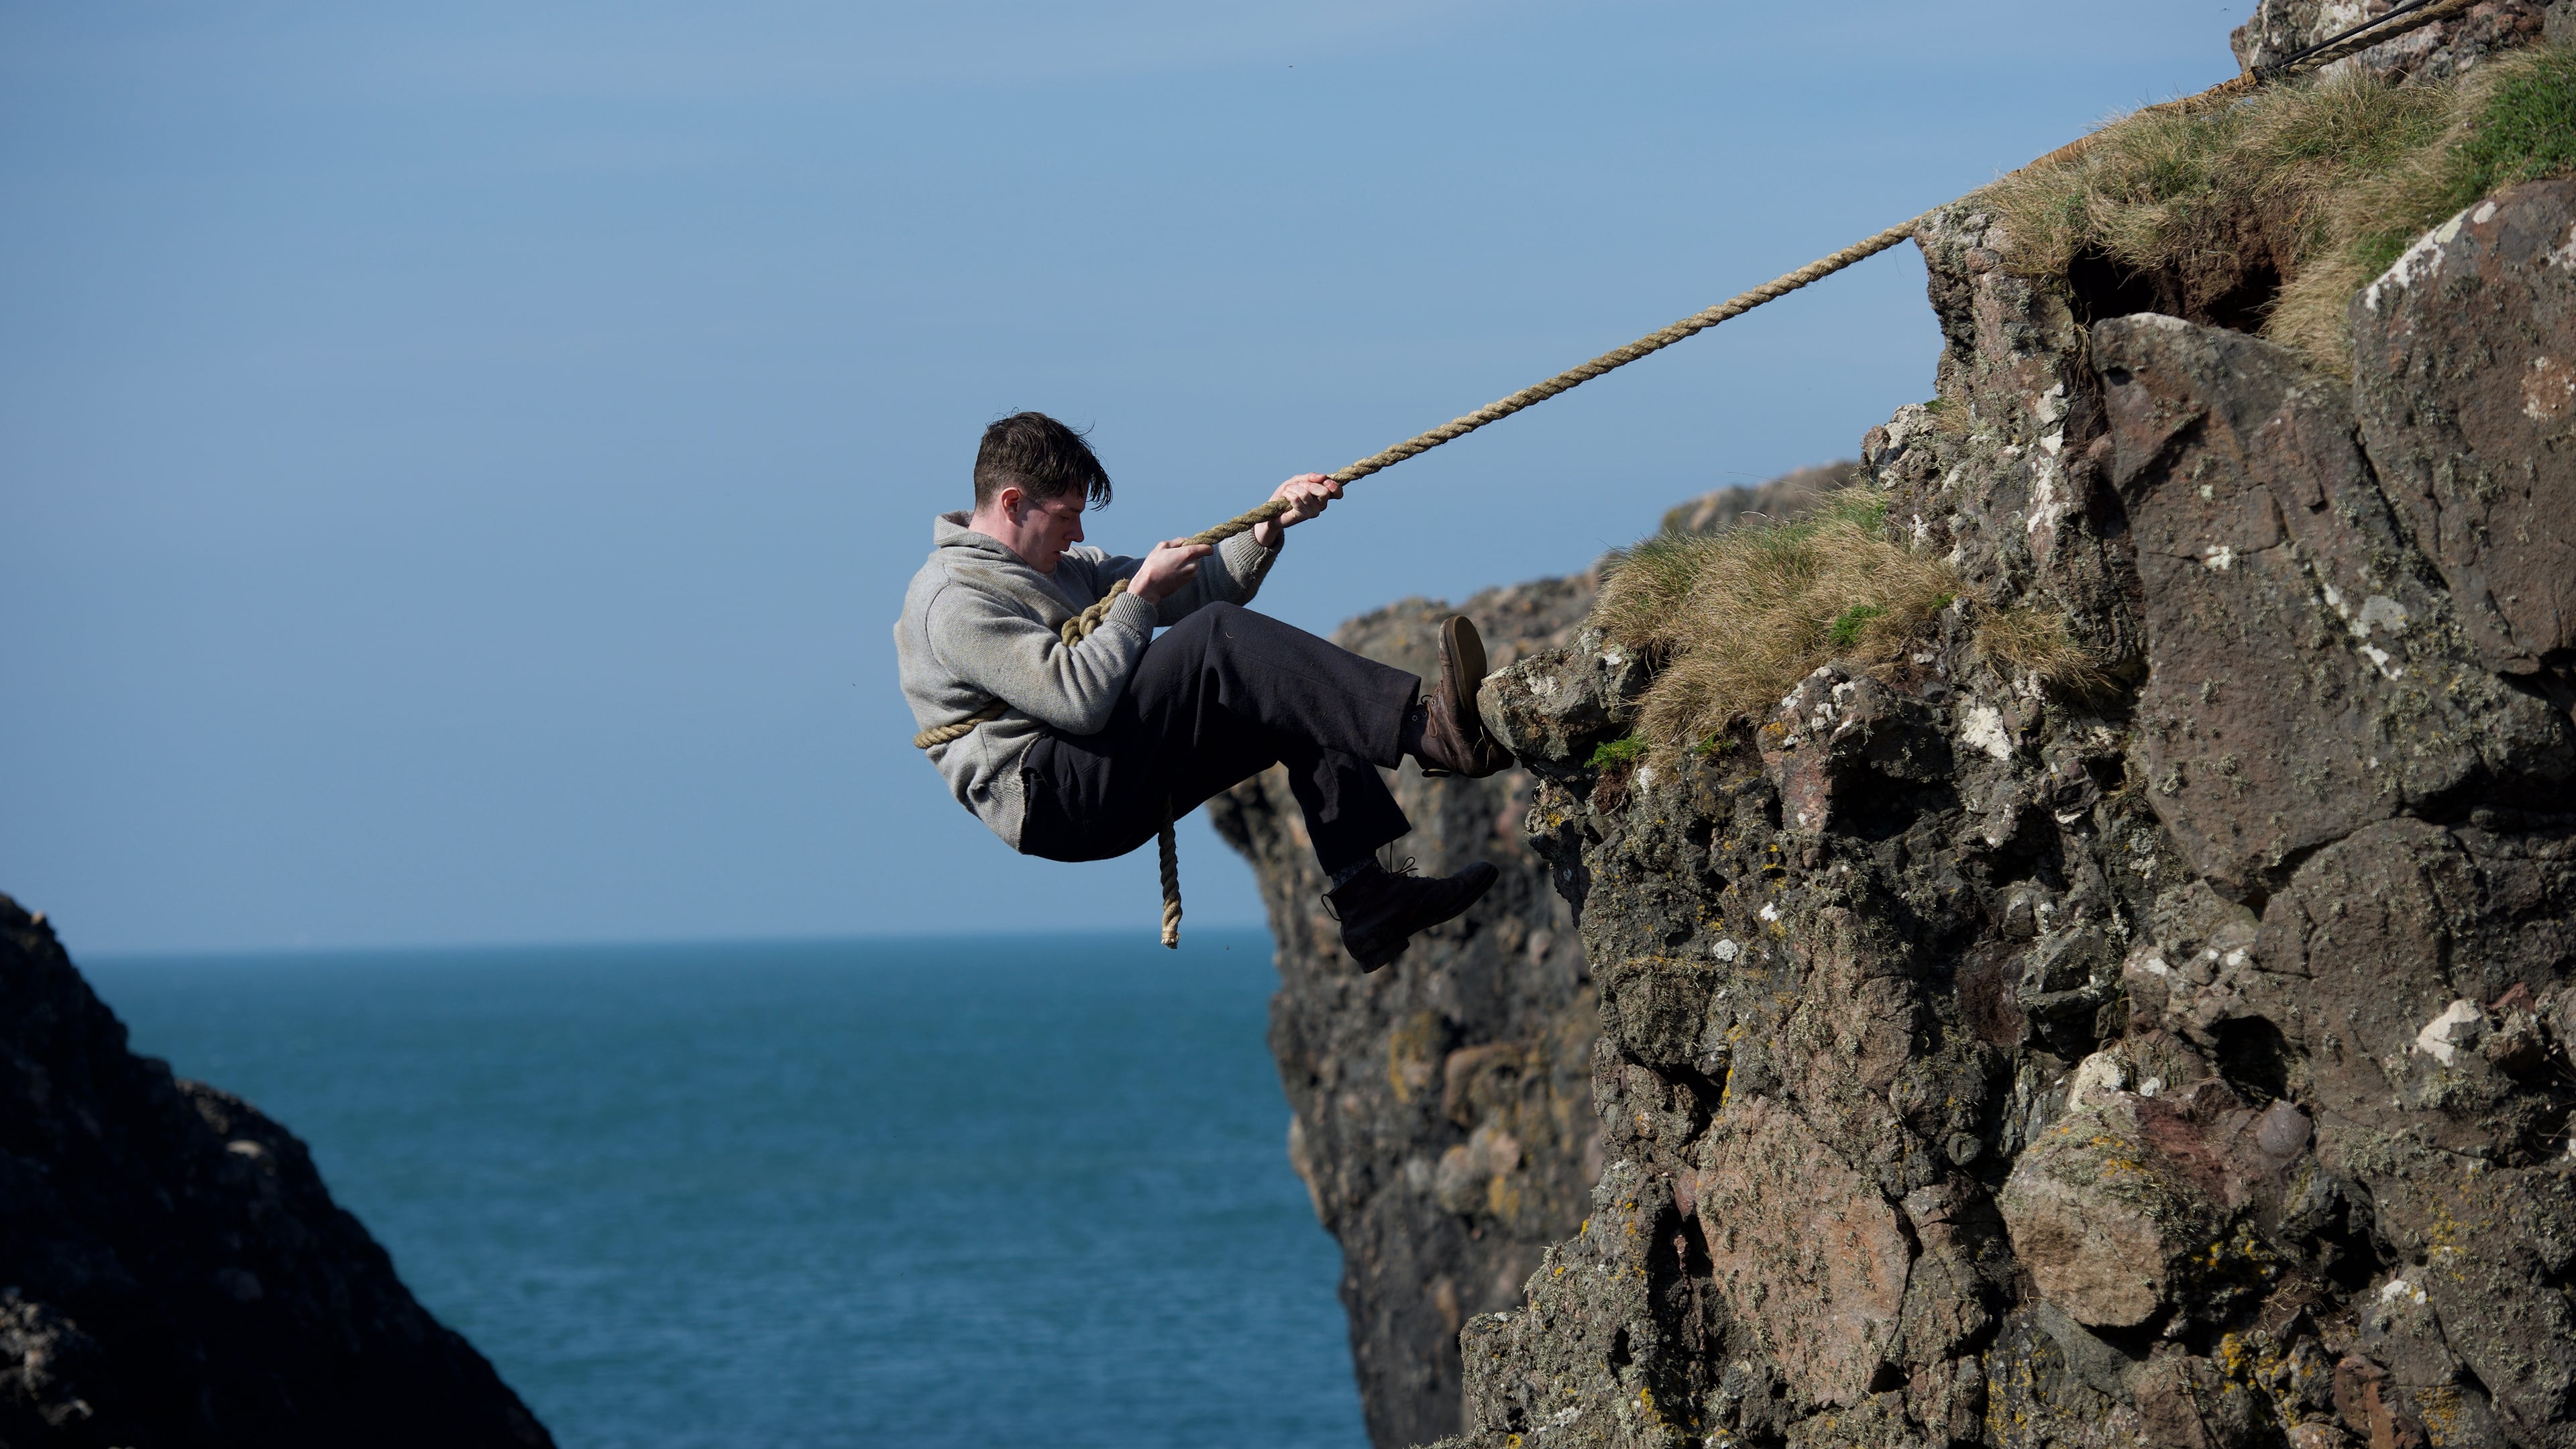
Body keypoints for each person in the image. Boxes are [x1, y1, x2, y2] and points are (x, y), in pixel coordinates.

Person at [896, 411, 1512, 969]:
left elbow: (1206, 587)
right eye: (1065, 515)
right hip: (1051, 795)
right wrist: (1140, 598)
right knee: (1217, 638)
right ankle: (1432, 735)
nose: (1078, 530)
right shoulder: (953, 600)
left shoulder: (1063, 567)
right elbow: (1075, 700)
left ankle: (1367, 898)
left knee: (1287, 693)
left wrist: (1270, 525)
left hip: (1095, 771)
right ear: (1011, 503)